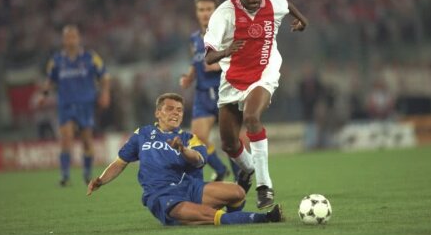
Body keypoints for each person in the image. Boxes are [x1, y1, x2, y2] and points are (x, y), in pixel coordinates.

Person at [86, 93, 284, 226]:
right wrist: (101, 180)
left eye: (179, 110)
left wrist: (182, 149)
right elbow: (120, 162)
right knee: (209, 216)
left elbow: (198, 160)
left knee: (238, 192)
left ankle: (226, 213)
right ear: (158, 113)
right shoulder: (142, 134)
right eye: (169, 108)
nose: (175, 113)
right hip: (161, 196)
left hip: (190, 188)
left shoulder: (190, 138)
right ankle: (264, 218)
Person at [204, 0, 309, 209]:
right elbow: (209, 57)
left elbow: (287, 3)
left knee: (252, 117)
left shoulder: (273, 5)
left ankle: (264, 187)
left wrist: (303, 21)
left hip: (264, 72)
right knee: (229, 144)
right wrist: (226, 51)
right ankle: (250, 170)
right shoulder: (223, 14)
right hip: (232, 78)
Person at [37, 24, 111, 186]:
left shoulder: (90, 57)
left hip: (86, 103)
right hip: (65, 104)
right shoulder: (56, 60)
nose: (71, 39)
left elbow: (104, 76)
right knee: (66, 137)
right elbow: (50, 79)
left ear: (79, 38)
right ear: (63, 40)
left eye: (73, 36)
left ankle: (87, 174)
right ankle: (64, 176)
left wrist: (105, 93)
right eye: (67, 37)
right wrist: (43, 94)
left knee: (86, 140)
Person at [179, 0, 240, 182]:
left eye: (209, 9)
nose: (205, 13)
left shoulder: (226, 34)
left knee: (230, 141)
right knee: (198, 137)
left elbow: (239, 60)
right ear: (196, 12)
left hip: (224, 91)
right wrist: (189, 76)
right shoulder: (194, 38)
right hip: (203, 94)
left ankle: (240, 179)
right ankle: (220, 170)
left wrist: (219, 64)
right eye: (201, 9)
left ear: (216, 11)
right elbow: (196, 60)